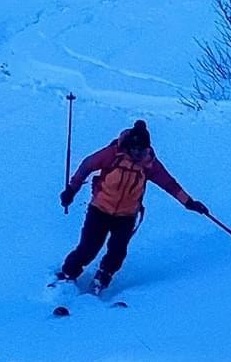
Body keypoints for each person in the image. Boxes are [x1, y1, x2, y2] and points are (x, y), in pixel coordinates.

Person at [57, 119, 207, 291]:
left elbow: (169, 184)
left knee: (118, 251)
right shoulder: (112, 154)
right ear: (128, 146)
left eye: (140, 149)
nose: (137, 152)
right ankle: (68, 273)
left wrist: (189, 202)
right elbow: (87, 165)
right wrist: (71, 190)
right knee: (89, 247)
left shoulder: (150, 164)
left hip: (126, 215)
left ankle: (103, 276)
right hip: (100, 209)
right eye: (133, 148)